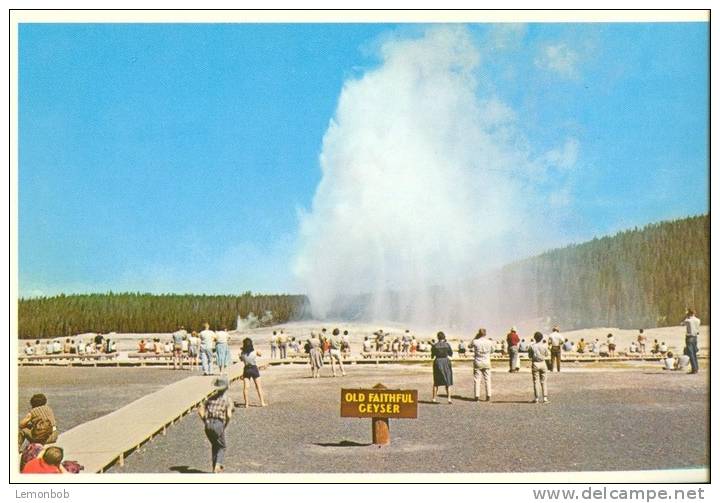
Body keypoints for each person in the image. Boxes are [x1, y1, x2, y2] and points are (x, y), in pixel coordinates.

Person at [198, 377, 234, 473]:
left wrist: (205, 420)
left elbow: (200, 409)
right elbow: (229, 415)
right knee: (222, 446)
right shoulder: (227, 400)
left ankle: (214, 467)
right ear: (226, 388)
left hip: (208, 424)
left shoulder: (210, 398)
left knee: (215, 445)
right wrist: (225, 425)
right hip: (218, 423)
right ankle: (218, 465)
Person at [239, 338, 267, 407]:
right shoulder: (254, 352)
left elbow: (241, 359)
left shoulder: (242, 353)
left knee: (246, 387)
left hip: (246, 370)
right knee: (258, 387)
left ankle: (246, 404)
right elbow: (260, 354)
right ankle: (262, 403)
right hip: (254, 369)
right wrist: (258, 350)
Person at [470, 328, 494, 402]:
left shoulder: (475, 341)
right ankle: (488, 395)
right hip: (486, 362)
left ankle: (477, 396)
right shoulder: (489, 342)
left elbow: (469, 346)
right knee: (487, 379)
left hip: (478, 362)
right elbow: (492, 351)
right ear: (485, 334)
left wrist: (475, 337)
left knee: (477, 380)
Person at [431, 332, 453, 404]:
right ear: (444, 337)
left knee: (436, 381)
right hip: (446, 361)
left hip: (437, 361)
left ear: (438, 337)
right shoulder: (447, 345)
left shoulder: (435, 345)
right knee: (448, 381)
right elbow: (450, 354)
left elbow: (432, 356)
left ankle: (434, 398)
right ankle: (449, 398)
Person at [528, 332, 550, 403]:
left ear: (535, 338)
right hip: (543, 363)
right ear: (541, 338)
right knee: (544, 381)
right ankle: (545, 398)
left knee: (535, 381)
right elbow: (547, 354)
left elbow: (530, 356)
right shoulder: (544, 346)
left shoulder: (531, 346)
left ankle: (536, 398)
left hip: (535, 363)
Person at [682, 309, 700, 374]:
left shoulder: (688, 320)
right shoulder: (698, 320)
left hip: (689, 337)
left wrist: (686, 316)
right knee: (694, 353)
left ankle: (694, 369)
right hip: (695, 337)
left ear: (689, 313)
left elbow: (682, 324)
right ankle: (696, 367)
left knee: (691, 354)